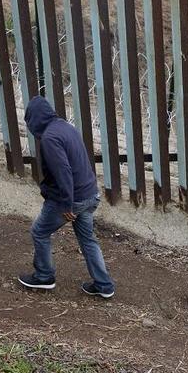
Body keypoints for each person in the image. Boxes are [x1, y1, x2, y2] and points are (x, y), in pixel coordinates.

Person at [18, 96, 115, 298]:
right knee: (87, 239)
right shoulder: (65, 127)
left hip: (73, 199)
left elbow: (63, 172)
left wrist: (66, 204)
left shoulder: (50, 138)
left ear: (35, 119)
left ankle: (44, 277)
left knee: (39, 232)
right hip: (90, 194)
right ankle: (104, 285)